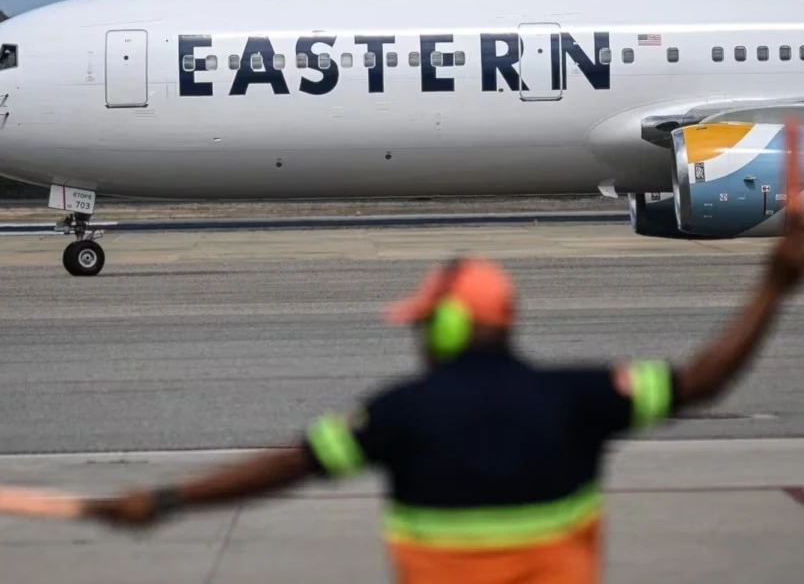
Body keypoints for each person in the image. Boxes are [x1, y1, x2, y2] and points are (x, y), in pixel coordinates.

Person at [84, 211, 804, 583]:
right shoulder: (580, 396)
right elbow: (706, 380)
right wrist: (774, 282)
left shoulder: (401, 414)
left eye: (424, 319)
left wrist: (165, 501)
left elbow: (287, 467)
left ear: (446, 324)